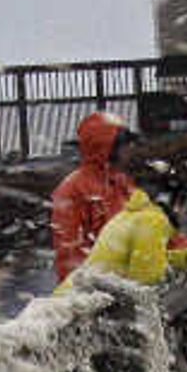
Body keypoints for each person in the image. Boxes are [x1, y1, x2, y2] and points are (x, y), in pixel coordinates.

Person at [48, 113, 139, 285]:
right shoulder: (71, 191)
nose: (130, 149)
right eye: (125, 145)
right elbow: (70, 254)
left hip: (125, 280)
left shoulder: (120, 182)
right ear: (108, 148)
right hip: (91, 290)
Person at [72, 179, 187, 287]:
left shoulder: (136, 215)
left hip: (72, 297)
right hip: (74, 310)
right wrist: (173, 276)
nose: (185, 213)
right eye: (184, 206)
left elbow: (155, 259)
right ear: (175, 204)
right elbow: (146, 277)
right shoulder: (154, 220)